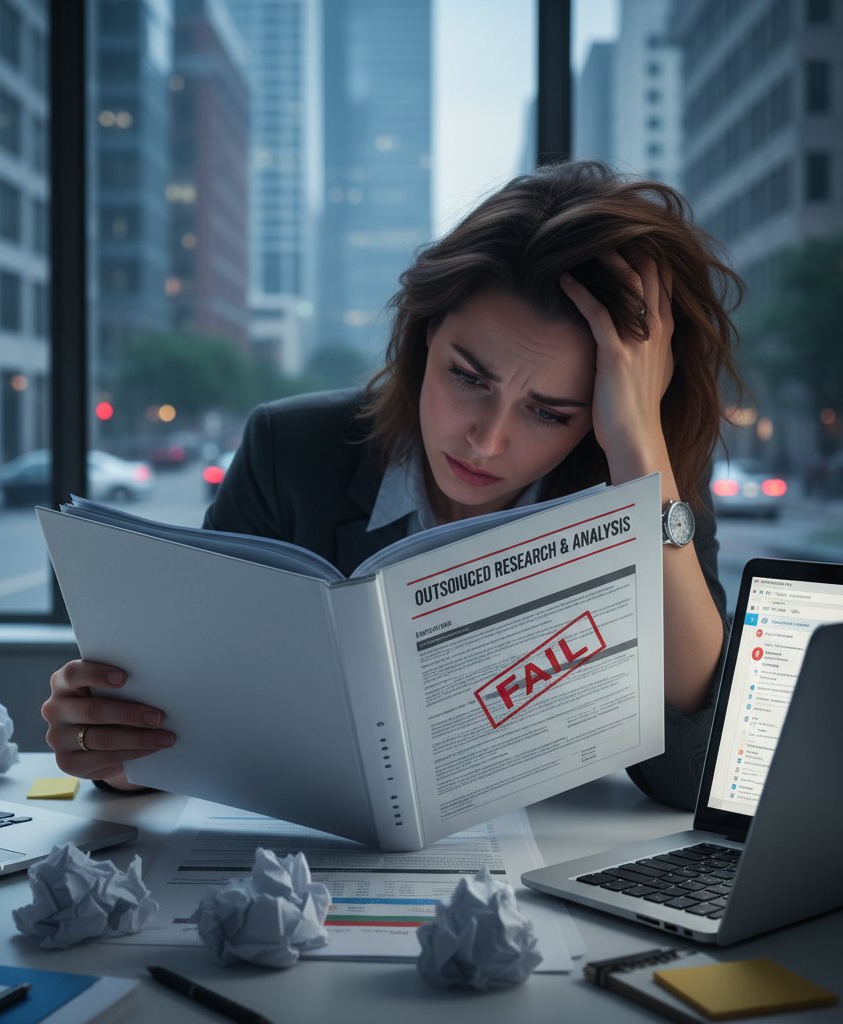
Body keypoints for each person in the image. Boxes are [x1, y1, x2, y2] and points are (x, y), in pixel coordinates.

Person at [43, 160, 744, 811]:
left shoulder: (650, 478)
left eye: (549, 412)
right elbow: (187, 725)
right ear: (423, 336)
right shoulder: (291, 451)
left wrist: (640, 454)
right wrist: (117, 751)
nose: (487, 439)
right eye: (467, 378)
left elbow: (695, 770)